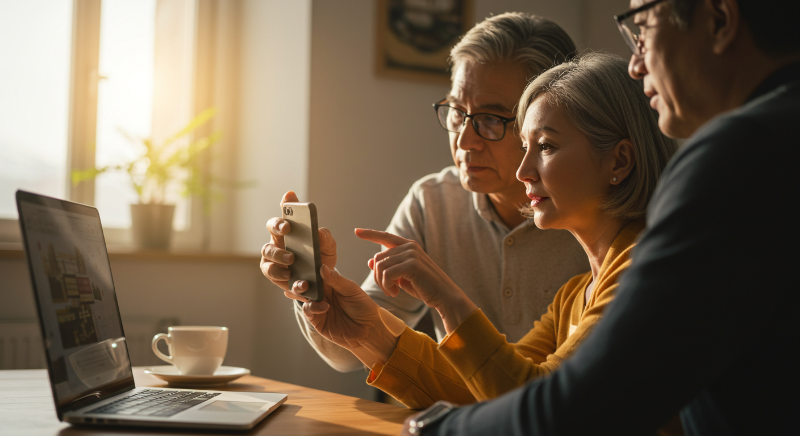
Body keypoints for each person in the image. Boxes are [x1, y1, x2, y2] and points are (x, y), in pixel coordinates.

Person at [398, 0, 800, 434]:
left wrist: (441, 430)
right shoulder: (574, 292)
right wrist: (367, 334)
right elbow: (508, 386)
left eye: (642, 27)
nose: (635, 63)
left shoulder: (741, 156)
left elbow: (585, 405)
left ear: (720, 19)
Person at [298, 53, 679, 420]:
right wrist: (370, 332)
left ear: (620, 160)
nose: (523, 171)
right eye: (526, 146)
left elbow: (538, 409)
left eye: (545, 146)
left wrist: (448, 299)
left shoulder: (643, 270)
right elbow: (484, 389)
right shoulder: (575, 295)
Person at [260, 13, 588, 372]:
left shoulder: (596, 217)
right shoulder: (433, 202)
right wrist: (313, 286)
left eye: (492, 119)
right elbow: (350, 351)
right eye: (457, 112)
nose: (464, 140)